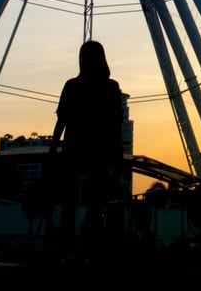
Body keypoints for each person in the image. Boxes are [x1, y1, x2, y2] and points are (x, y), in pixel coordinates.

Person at [49, 40, 124, 260]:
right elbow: (116, 125)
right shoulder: (110, 87)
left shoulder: (72, 85)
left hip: (74, 149)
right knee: (95, 204)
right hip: (99, 151)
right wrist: (117, 157)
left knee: (69, 205)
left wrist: (53, 151)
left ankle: (67, 252)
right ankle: (91, 249)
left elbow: (61, 122)